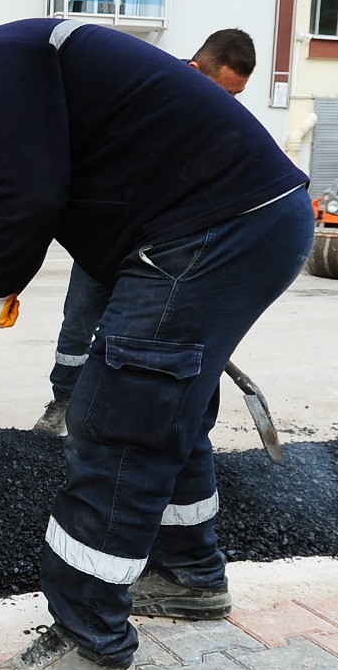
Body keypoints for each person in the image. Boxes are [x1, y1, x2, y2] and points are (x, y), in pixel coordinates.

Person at [0, 12, 311, 670]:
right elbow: (57, 188)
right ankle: (189, 575)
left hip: (215, 228)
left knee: (116, 418)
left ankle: (90, 638)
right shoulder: (16, 60)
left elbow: (30, 197)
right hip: (245, 220)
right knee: (170, 406)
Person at [33, 28, 258, 438]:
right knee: (79, 323)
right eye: (223, 93)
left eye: (236, 97)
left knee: (139, 337)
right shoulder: (145, 94)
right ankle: (63, 400)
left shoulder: (214, 127)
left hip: (159, 252)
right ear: (193, 71)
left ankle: (109, 415)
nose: (228, 106)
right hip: (104, 239)